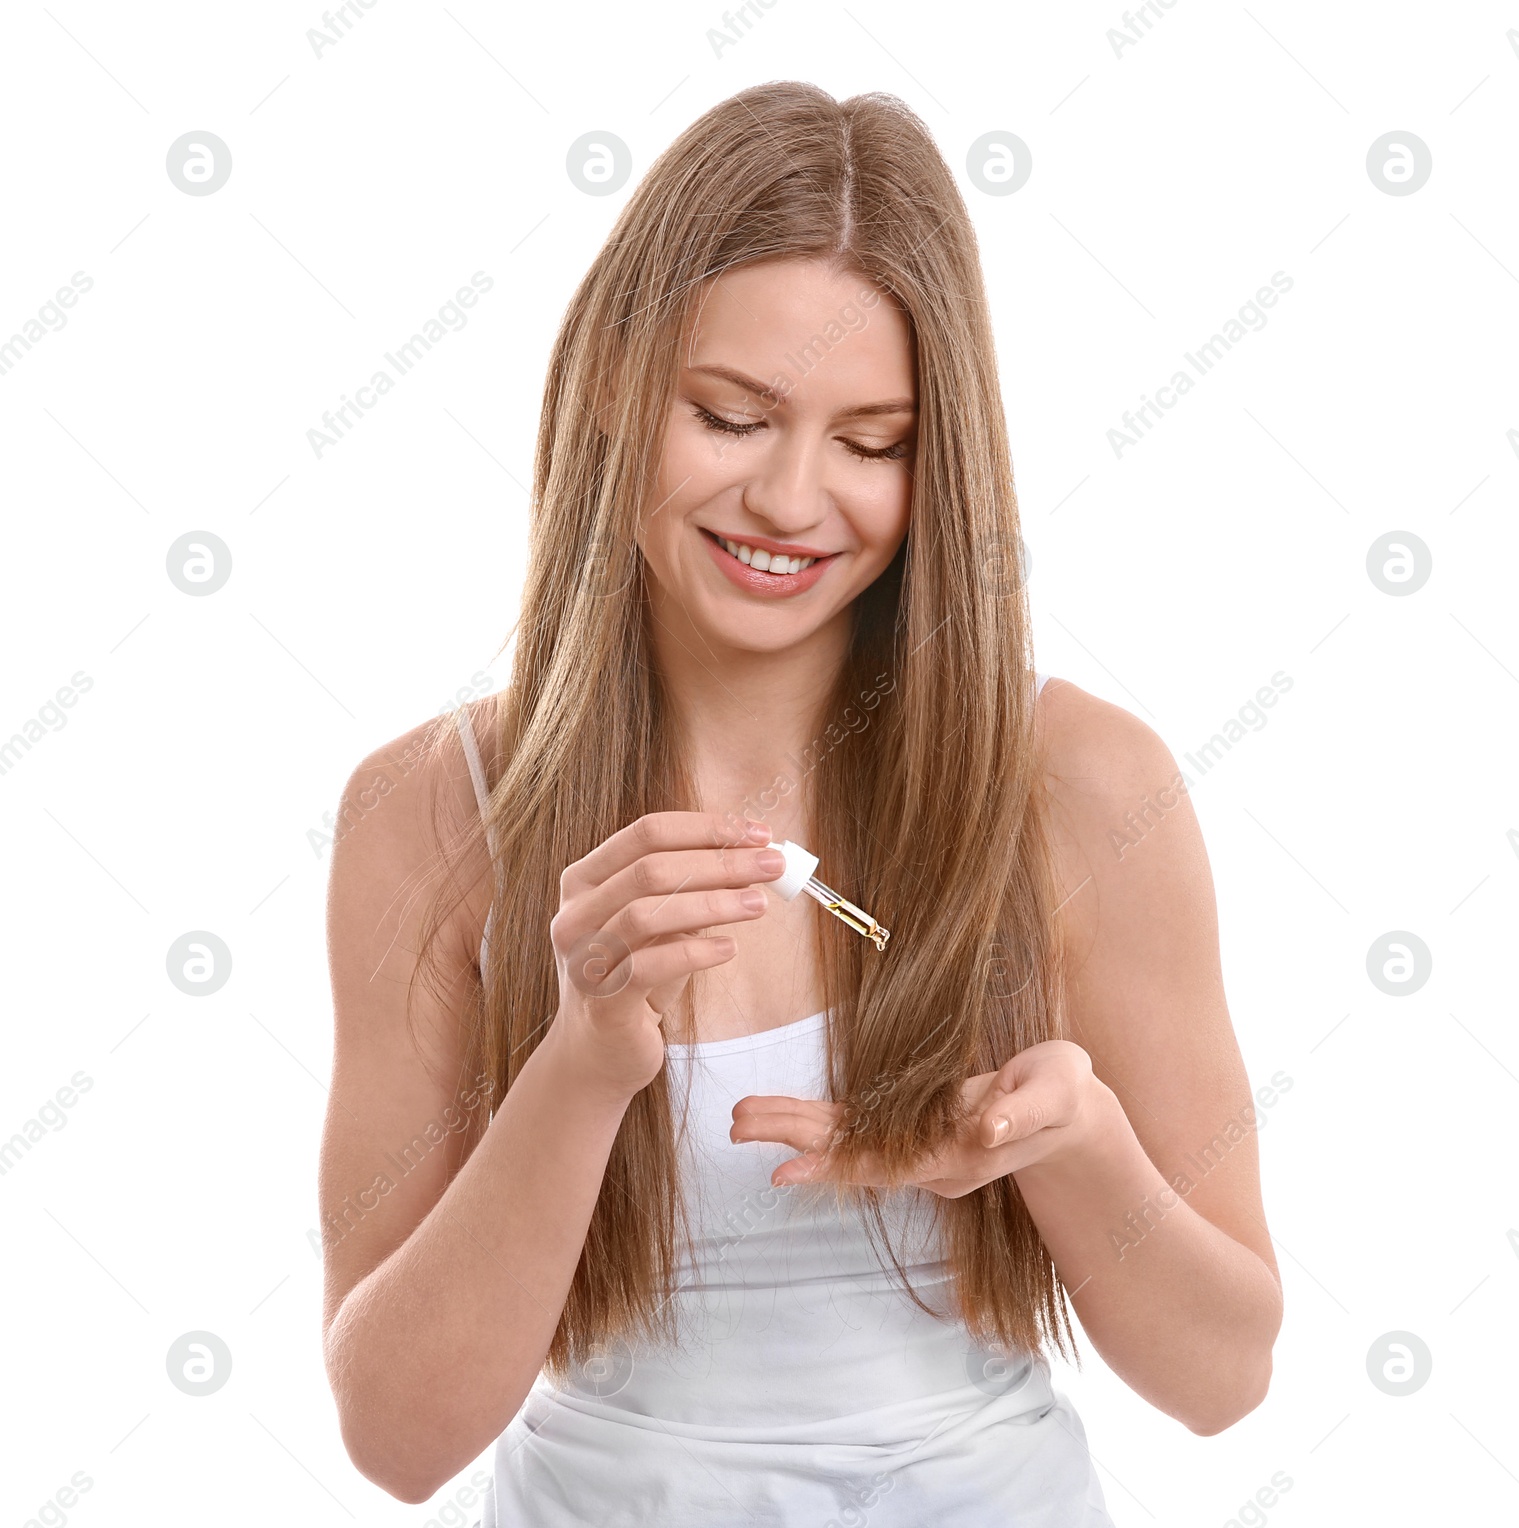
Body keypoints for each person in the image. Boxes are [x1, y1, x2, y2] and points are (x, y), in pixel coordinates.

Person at [317, 80, 1282, 1527]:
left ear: (936, 463)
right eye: (730, 414)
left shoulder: (1083, 788)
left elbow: (1224, 1380)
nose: (788, 498)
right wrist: (583, 1056)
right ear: (614, 391)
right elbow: (397, 1442)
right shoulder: (433, 813)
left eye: (871, 441)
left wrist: (1073, 1146)